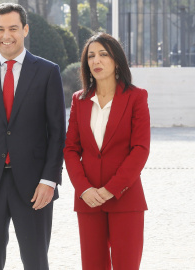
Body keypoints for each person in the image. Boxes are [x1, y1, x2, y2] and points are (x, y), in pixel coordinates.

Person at [0, 3, 66, 270]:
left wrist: (49, 180)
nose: (6, 35)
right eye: (0, 29)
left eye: (13, 28)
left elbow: (57, 132)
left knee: (36, 262)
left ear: (25, 30)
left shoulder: (47, 71)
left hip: (35, 187)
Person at [64, 32, 150, 270]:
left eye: (103, 54)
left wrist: (112, 188)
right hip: (88, 201)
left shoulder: (136, 97)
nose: (96, 61)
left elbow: (140, 149)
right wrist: (83, 189)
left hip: (125, 198)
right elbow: (70, 149)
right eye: (91, 56)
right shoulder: (79, 100)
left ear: (116, 60)